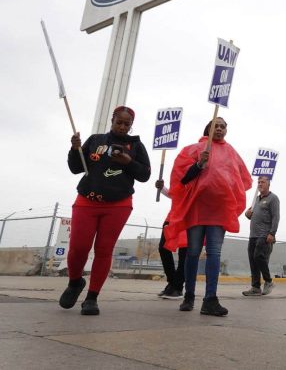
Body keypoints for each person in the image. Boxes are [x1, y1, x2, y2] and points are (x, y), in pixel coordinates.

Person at [58, 106, 151, 316]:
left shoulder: (136, 145)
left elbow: (145, 174)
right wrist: (75, 149)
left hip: (118, 205)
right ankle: (75, 282)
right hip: (87, 201)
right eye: (119, 122)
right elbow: (76, 168)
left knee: (104, 249)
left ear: (131, 125)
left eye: (127, 124)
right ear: (112, 120)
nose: (122, 126)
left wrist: (128, 162)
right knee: (79, 247)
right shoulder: (95, 140)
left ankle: (92, 297)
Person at [164, 118, 252, 317]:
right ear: (209, 129)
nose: (219, 129)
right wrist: (198, 164)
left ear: (226, 130)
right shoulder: (194, 149)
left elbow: (241, 178)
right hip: (197, 208)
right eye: (216, 126)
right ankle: (189, 296)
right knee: (193, 252)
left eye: (223, 126)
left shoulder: (231, 152)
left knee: (214, 253)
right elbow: (182, 177)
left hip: (219, 211)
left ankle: (210, 299)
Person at [242, 176, 280, 296]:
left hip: (264, 235)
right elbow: (249, 215)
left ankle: (268, 281)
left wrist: (272, 233)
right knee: (252, 260)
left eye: (262, 182)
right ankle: (255, 287)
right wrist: (247, 214)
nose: (260, 184)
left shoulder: (273, 198)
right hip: (252, 234)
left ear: (268, 184)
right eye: (258, 182)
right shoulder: (256, 199)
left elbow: (276, 217)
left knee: (258, 256)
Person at [154, 180, 187, 299]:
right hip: (173, 216)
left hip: (189, 216)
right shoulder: (180, 171)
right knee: (163, 247)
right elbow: (175, 194)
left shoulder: (199, 168)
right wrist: (163, 188)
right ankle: (172, 282)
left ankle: (178, 287)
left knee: (185, 251)